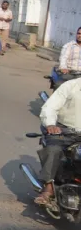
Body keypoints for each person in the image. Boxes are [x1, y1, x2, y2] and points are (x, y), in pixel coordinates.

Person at [35, 77, 81, 205]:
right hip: (65, 130)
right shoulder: (71, 86)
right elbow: (50, 107)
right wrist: (50, 124)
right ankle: (48, 187)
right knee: (53, 149)